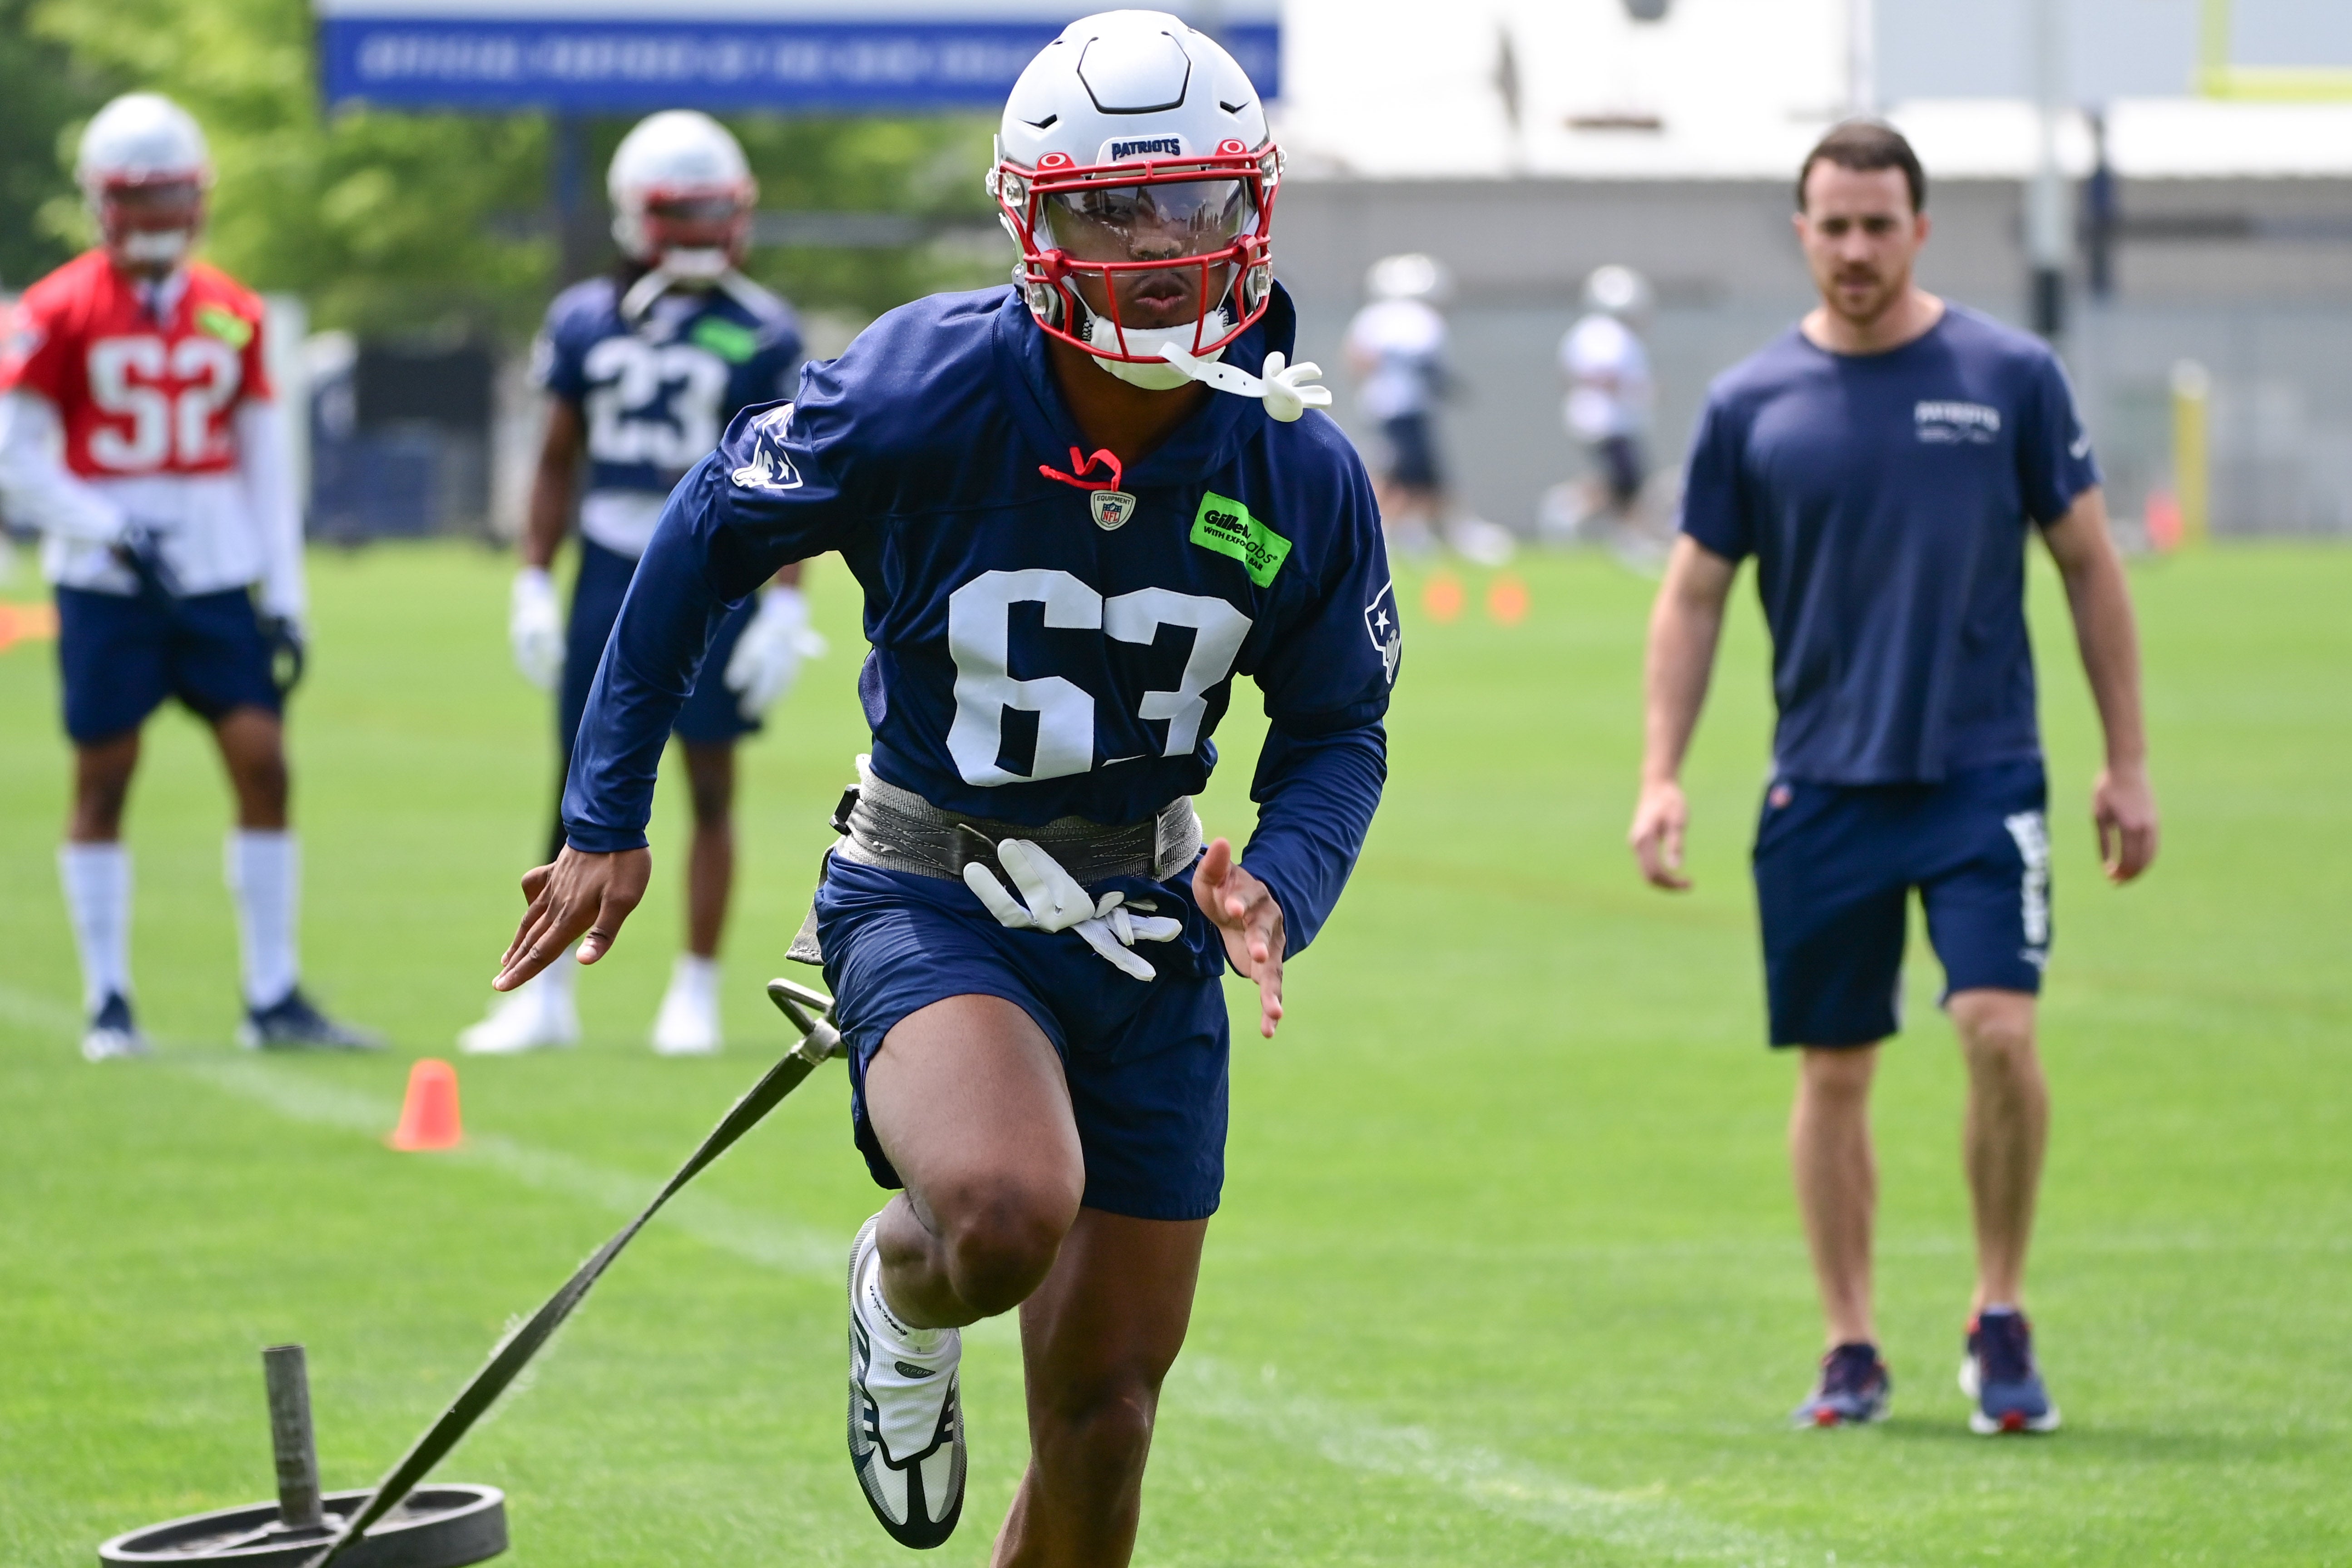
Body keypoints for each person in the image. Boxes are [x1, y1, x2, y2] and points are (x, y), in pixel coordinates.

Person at [486, 11, 1393, 1559]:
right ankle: (898, 1288)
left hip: (1143, 918)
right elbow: (702, 531)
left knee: (1102, 1421)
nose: (1159, 246)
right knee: (997, 1208)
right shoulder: (924, 386)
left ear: (1254, 206)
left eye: (1190, 201)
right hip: (934, 879)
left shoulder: (1292, 463)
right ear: (1030, 222)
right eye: (1112, 206)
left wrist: (1277, 883)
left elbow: (1336, 727)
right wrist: (604, 814)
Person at [1628, 121, 2158, 1435]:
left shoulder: (2008, 374)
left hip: (1984, 775)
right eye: (1833, 224)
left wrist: (2127, 761)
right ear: (1802, 232)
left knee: (1997, 1027)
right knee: (1835, 1069)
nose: (1855, 247)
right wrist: (1660, 773)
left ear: (1918, 229)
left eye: (1879, 223)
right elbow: (1692, 594)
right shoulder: (1750, 403)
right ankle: (1850, 1340)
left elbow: (2092, 563)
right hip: (1820, 785)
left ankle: (1999, 1309)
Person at [0, 93, 377, 1060]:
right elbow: (16, 455)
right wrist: (106, 524)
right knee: (105, 777)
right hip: (106, 583)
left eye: (173, 195)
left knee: (264, 764)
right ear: (103, 202)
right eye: (143, 197)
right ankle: (108, 1000)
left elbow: (264, 460)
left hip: (212, 578)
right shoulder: (57, 308)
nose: (161, 216)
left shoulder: (230, 310)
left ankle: (271, 992)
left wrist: (284, 599)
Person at [459, 110, 817, 1059]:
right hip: (609, 560)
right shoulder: (585, 318)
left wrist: (787, 599)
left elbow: (797, 474)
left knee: (707, 778)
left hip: (719, 569)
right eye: (681, 212)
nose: (700, 232)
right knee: (579, 777)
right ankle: (542, 995)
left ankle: (693, 988)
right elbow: (555, 458)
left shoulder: (762, 329)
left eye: (713, 212)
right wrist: (534, 576)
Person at [1549, 263, 1656, 544]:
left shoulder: (1592, 332)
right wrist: (1637, 390)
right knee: (1627, 480)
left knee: (1623, 480)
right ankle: (1574, 510)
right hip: (1607, 420)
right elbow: (1601, 375)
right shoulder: (1605, 333)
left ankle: (1585, 513)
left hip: (1608, 419)